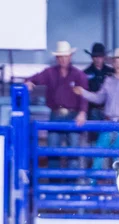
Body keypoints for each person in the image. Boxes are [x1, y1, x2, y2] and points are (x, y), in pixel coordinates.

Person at [74, 48, 119, 171]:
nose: (118, 64)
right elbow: (99, 98)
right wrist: (83, 92)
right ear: (113, 63)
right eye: (116, 61)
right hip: (108, 124)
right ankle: (93, 186)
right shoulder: (108, 81)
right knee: (98, 156)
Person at [25, 41, 89, 169]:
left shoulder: (78, 75)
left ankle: (72, 185)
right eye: (61, 57)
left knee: (73, 151)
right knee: (53, 149)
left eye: (66, 56)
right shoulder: (49, 73)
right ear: (57, 58)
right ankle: (54, 184)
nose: (64, 59)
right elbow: (34, 78)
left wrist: (82, 112)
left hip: (73, 115)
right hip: (55, 114)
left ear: (70, 57)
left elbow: (84, 95)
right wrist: (29, 82)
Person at [83, 43, 115, 125]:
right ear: (91, 57)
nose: (97, 59)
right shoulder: (85, 73)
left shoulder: (112, 72)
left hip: (109, 110)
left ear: (104, 57)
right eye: (95, 56)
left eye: (100, 56)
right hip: (92, 110)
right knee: (94, 135)